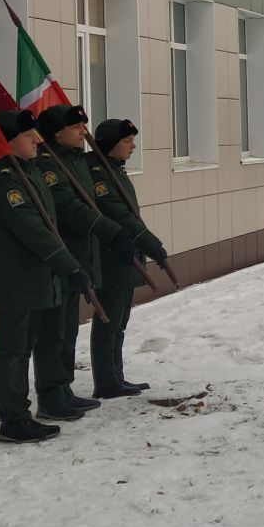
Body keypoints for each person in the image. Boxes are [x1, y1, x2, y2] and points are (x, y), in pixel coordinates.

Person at [0, 110, 92, 443]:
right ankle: (12, 419)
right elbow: (33, 231)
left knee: (29, 345)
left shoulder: (27, 173)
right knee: (13, 349)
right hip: (16, 280)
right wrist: (69, 266)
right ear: (7, 143)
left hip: (38, 277)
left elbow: (48, 226)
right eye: (28, 136)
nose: (35, 140)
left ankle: (33, 406)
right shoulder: (1, 182)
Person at [31, 104, 125, 421]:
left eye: (84, 126)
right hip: (61, 256)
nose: (84, 132)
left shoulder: (75, 161)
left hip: (80, 256)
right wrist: (105, 226)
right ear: (57, 133)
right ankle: (49, 393)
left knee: (68, 327)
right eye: (77, 128)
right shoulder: (48, 163)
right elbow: (68, 207)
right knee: (53, 330)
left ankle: (64, 388)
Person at [85, 118, 171, 398]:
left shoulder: (115, 171)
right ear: (111, 144)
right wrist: (150, 243)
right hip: (111, 256)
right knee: (109, 320)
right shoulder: (100, 175)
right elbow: (119, 217)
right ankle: (106, 380)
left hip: (125, 254)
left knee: (120, 321)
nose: (133, 146)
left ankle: (115, 376)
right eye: (127, 141)